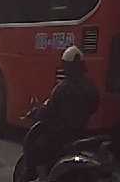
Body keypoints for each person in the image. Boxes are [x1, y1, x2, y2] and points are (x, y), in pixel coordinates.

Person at [20, 46, 100, 182]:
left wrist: (36, 113)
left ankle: (39, 176)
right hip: (82, 132)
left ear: (67, 66)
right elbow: (94, 107)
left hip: (61, 134)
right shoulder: (91, 86)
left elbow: (48, 111)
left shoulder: (62, 88)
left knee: (37, 145)